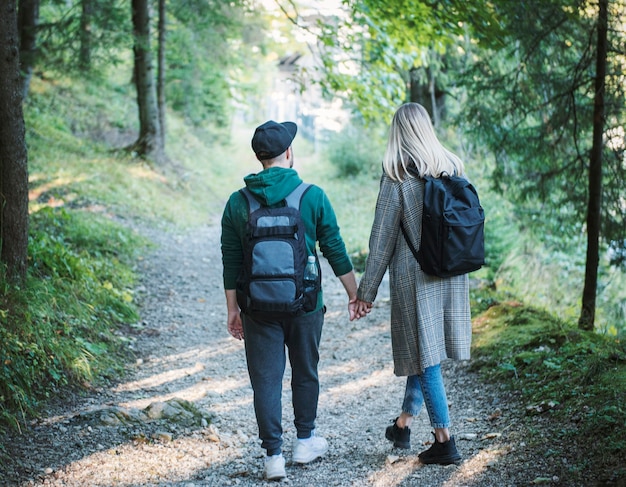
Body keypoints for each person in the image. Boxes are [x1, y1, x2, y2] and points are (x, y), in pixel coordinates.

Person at [221, 120, 359, 480]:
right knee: (305, 371)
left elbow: (231, 260)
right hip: (306, 304)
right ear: (289, 154)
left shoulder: (238, 202)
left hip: (257, 308)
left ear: (258, 157)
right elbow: (334, 248)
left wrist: (233, 310)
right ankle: (305, 441)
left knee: (265, 379)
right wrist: (354, 294)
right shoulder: (312, 195)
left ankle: (272, 458)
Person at [354, 102, 472, 465]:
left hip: (416, 277)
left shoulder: (397, 176)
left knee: (425, 357)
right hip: (451, 273)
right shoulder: (452, 166)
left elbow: (382, 240)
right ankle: (403, 425)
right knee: (426, 350)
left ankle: (444, 440)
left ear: (398, 132)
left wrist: (365, 292)